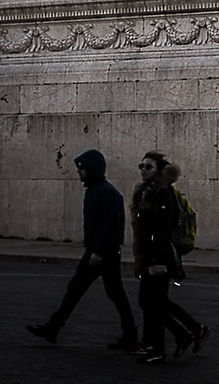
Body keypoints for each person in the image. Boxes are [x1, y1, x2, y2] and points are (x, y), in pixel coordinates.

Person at [28, 149, 141, 351]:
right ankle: (54, 327)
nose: (79, 173)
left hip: (102, 254)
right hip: (98, 252)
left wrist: (98, 251)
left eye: (82, 169)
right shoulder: (96, 190)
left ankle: (130, 334)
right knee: (87, 291)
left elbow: (112, 225)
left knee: (106, 292)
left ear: (93, 170)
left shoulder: (106, 192)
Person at [129, 151, 204, 362]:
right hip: (149, 257)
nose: (143, 170)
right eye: (141, 166)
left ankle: (157, 349)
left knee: (152, 303)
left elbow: (161, 231)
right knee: (152, 302)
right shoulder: (146, 192)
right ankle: (185, 333)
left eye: (148, 167)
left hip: (159, 259)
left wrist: (156, 262)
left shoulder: (163, 194)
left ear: (159, 171)